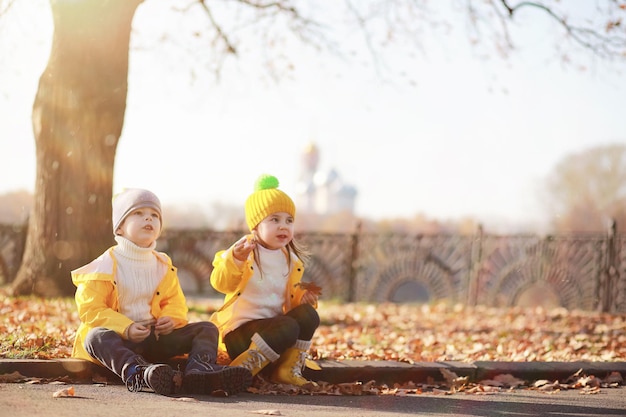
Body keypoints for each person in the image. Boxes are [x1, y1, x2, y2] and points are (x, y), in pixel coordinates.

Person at [71, 188, 252, 396]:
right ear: (119, 227)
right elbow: (91, 310)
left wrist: (170, 319)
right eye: (138, 213)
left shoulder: (163, 264)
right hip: (121, 341)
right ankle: (138, 372)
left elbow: (175, 302)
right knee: (95, 337)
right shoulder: (103, 266)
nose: (148, 217)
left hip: (154, 338)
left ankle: (199, 370)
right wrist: (126, 327)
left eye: (154, 215)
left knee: (207, 328)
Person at [210, 174, 320, 387]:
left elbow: (287, 298)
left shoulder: (291, 261)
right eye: (274, 220)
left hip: (276, 334)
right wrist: (235, 259)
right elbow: (220, 283)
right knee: (286, 325)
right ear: (255, 226)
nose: (283, 226)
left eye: (289, 221)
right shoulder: (243, 253)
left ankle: (287, 369)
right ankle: (242, 370)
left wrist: (303, 298)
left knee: (308, 315)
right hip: (240, 337)